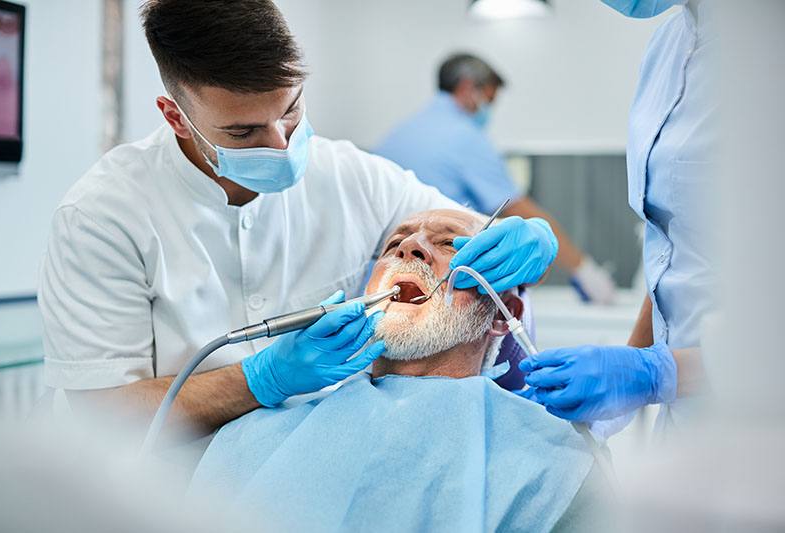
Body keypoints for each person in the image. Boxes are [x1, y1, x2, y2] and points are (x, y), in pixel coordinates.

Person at [37, 0, 558, 444]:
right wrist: (263, 379)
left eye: (290, 111)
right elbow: (102, 418)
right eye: (243, 132)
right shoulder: (101, 218)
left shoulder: (354, 177)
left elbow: (457, 231)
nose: (281, 146)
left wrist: (530, 240)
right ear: (176, 116)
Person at [192, 209, 608, 532]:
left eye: (449, 243)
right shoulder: (257, 434)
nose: (410, 248)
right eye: (395, 244)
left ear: (503, 315)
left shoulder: (549, 464)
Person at [519, 0, 714, 434]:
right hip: (685, 423)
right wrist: (629, 382)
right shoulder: (668, 47)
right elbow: (677, 245)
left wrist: (654, 374)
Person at [375, 53, 617, 304]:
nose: (488, 110)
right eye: (489, 99)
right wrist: (584, 270)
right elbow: (520, 210)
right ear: (468, 87)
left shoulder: (400, 133)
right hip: (436, 285)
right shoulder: (465, 138)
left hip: (386, 279)